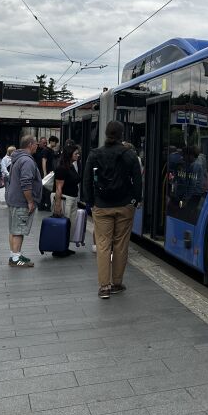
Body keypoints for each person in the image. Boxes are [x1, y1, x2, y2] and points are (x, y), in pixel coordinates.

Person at [83, 121, 142, 299]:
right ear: (121, 135)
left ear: (106, 134)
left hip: (101, 206)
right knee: (120, 245)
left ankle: (104, 287)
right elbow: (138, 181)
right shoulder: (130, 155)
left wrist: (92, 202)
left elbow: (87, 180)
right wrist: (135, 200)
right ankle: (117, 283)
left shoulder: (95, 154)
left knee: (103, 245)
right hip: (124, 205)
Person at [5, 135, 42, 268]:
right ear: (31, 144)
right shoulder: (27, 161)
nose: (37, 146)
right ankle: (16, 259)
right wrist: (30, 201)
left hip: (14, 199)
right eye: (36, 144)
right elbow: (26, 183)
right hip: (21, 201)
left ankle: (15, 255)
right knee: (19, 230)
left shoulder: (17, 158)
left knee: (14, 229)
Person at [53, 144, 82, 242]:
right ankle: (59, 248)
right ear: (70, 154)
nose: (78, 155)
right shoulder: (62, 168)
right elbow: (58, 187)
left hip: (73, 199)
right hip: (65, 200)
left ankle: (65, 246)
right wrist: (58, 204)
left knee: (71, 225)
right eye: (76, 154)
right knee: (63, 224)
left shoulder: (71, 166)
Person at [35, 137, 54, 211]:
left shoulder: (46, 150)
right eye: (44, 143)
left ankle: (43, 205)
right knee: (42, 189)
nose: (45, 144)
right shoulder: (37, 151)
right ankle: (42, 205)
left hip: (44, 172)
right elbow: (43, 161)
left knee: (45, 189)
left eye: (46, 143)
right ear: (39, 142)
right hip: (40, 172)